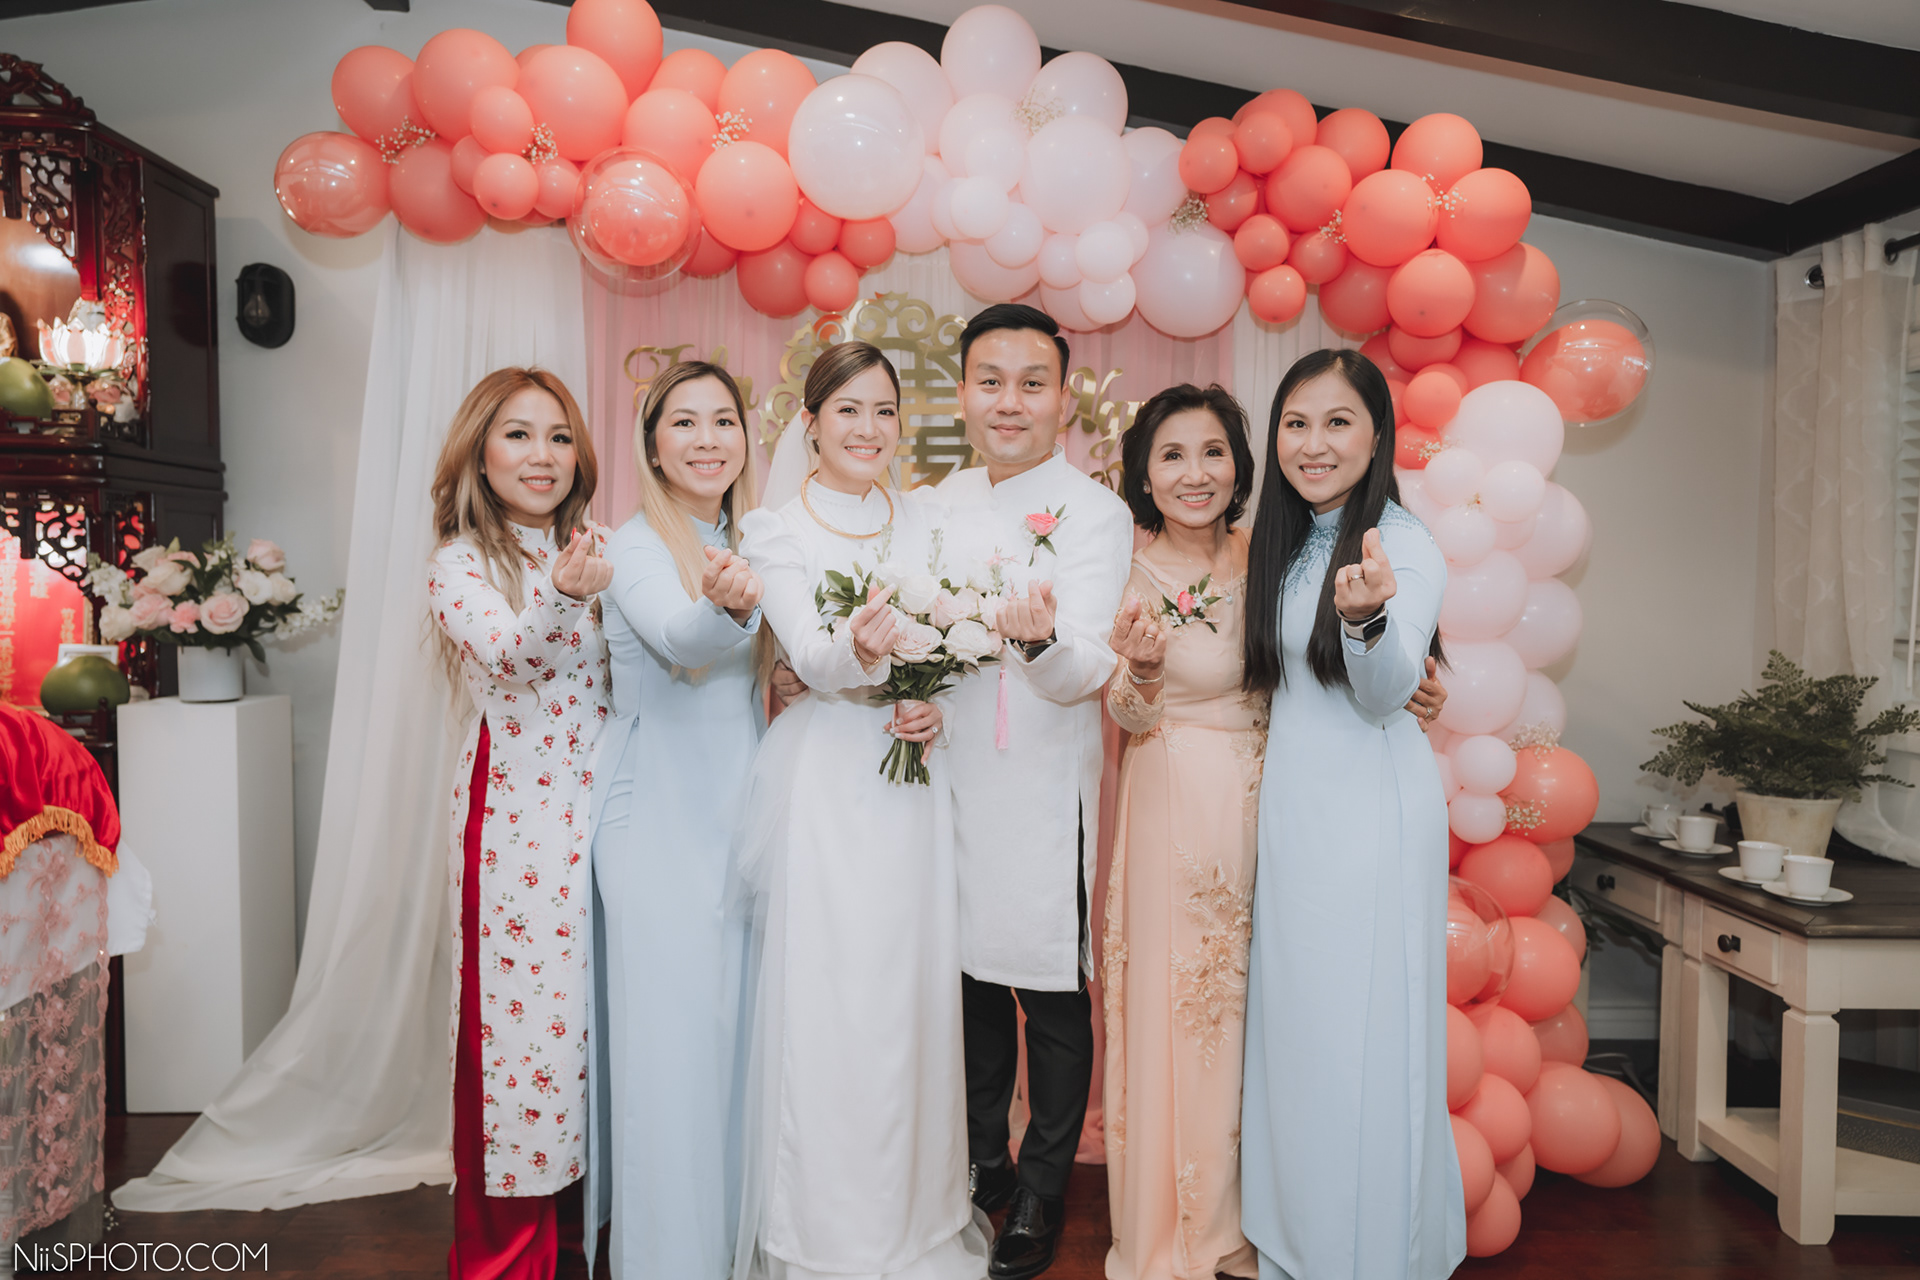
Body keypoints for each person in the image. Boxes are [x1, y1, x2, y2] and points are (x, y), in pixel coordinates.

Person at [1101, 385, 1449, 1280]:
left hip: (1283, 809)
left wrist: (1416, 676)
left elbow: (1325, 661)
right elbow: (1127, 712)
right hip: (1179, 807)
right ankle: (1185, 1227)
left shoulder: (1275, 554)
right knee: (1190, 1012)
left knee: (1275, 1021)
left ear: (1240, 467)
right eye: (1172, 455)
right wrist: (1143, 671)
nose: (1195, 474)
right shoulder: (1127, 576)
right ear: (1144, 474)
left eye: (1213, 452)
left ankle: (1273, 1220)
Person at [731, 341, 989, 1280]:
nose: (869, 428)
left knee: (909, 996)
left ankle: (915, 1218)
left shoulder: (924, 518)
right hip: (832, 785)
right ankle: (828, 1231)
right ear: (810, 423)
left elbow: (964, 639)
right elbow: (809, 652)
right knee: (835, 997)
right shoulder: (773, 531)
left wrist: (934, 704)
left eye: (885, 410)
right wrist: (862, 653)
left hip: (911, 786)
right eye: (848, 410)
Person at [1237, 349, 1465, 1280]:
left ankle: (1365, 1253)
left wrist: (1369, 624)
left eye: (1338, 422)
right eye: (1296, 423)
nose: (1314, 443)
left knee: (1358, 1043)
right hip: (1297, 820)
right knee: (1301, 1039)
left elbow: (1386, 688)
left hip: (1370, 826)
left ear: (1378, 437)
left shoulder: (1400, 546)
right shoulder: (1289, 539)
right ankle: (1298, 1240)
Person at [937, 303, 1135, 1280]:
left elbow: (1089, 666)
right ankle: (985, 1160)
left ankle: (1044, 1185)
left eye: (1030, 383)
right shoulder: (935, 501)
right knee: (967, 981)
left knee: (1049, 988)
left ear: (1063, 399)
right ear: (962, 394)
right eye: (990, 381)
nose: (1008, 401)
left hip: (1044, 786)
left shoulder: (1095, 512)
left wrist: (1042, 639)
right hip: (944, 779)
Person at [426, 368, 611, 1280]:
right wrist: (567, 596)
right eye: (519, 434)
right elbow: (509, 657)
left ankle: (580, 1242)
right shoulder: (461, 562)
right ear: (480, 452)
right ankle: (504, 1260)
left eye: (559, 437)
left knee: (585, 1040)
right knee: (519, 1044)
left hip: (602, 826)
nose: (543, 456)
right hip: (515, 833)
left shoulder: (594, 548)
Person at [586, 361, 766, 1280]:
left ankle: (731, 1243)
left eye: (723, 420)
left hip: (742, 813)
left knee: (734, 1044)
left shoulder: (748, 534)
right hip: (654, 816)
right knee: (672, 1051)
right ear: (652, 445)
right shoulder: (635, 545)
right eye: (684, 422)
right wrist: (727, 606)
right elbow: (680, 640)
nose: (707, 439)